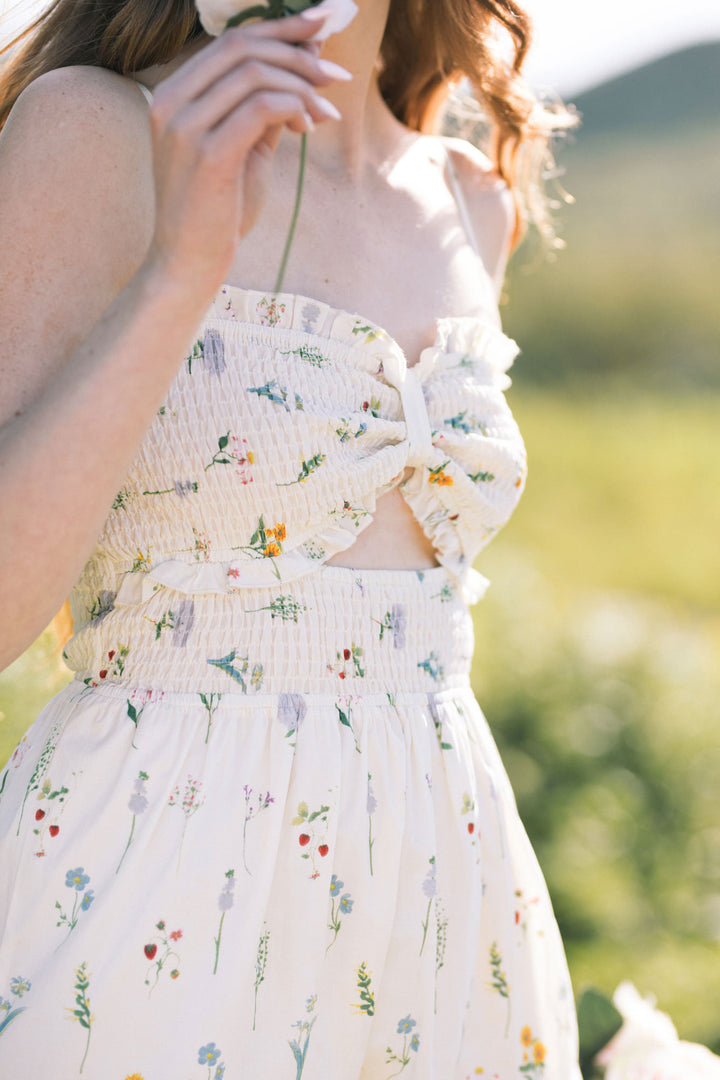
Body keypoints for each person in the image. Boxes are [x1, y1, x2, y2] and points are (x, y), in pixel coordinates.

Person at [0, 0, 581, 1075]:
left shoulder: (470, 198)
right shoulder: (98, 129)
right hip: (161, 870)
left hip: (438, 874)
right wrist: (182, 268)